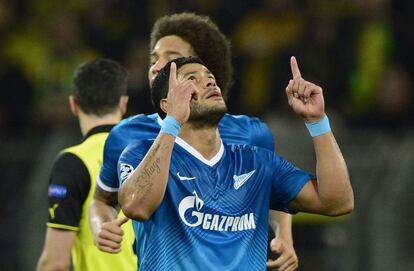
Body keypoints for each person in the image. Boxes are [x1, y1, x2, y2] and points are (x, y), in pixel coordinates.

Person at [90, 13, 297, 270]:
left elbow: (273, 191)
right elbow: (102, 200)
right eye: (153, 60)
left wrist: (284, 235)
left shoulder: (251, 134)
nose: (157, 67)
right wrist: (100, 226)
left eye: (172, 59)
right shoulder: (127, 135)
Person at [117, 56, 353, 270]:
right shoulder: (140, 154)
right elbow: (136, 206)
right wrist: (172, 123)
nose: (210, 83)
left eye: (211, 78)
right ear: (166, 103)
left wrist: (318, 121)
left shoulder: (257, 162)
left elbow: (337, 202)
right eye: (192, 79)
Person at [36, 58, 137, 271]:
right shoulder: (154, 155)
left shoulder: (72, 163)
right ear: (123, 103)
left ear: (74, 104)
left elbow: (55, 263)